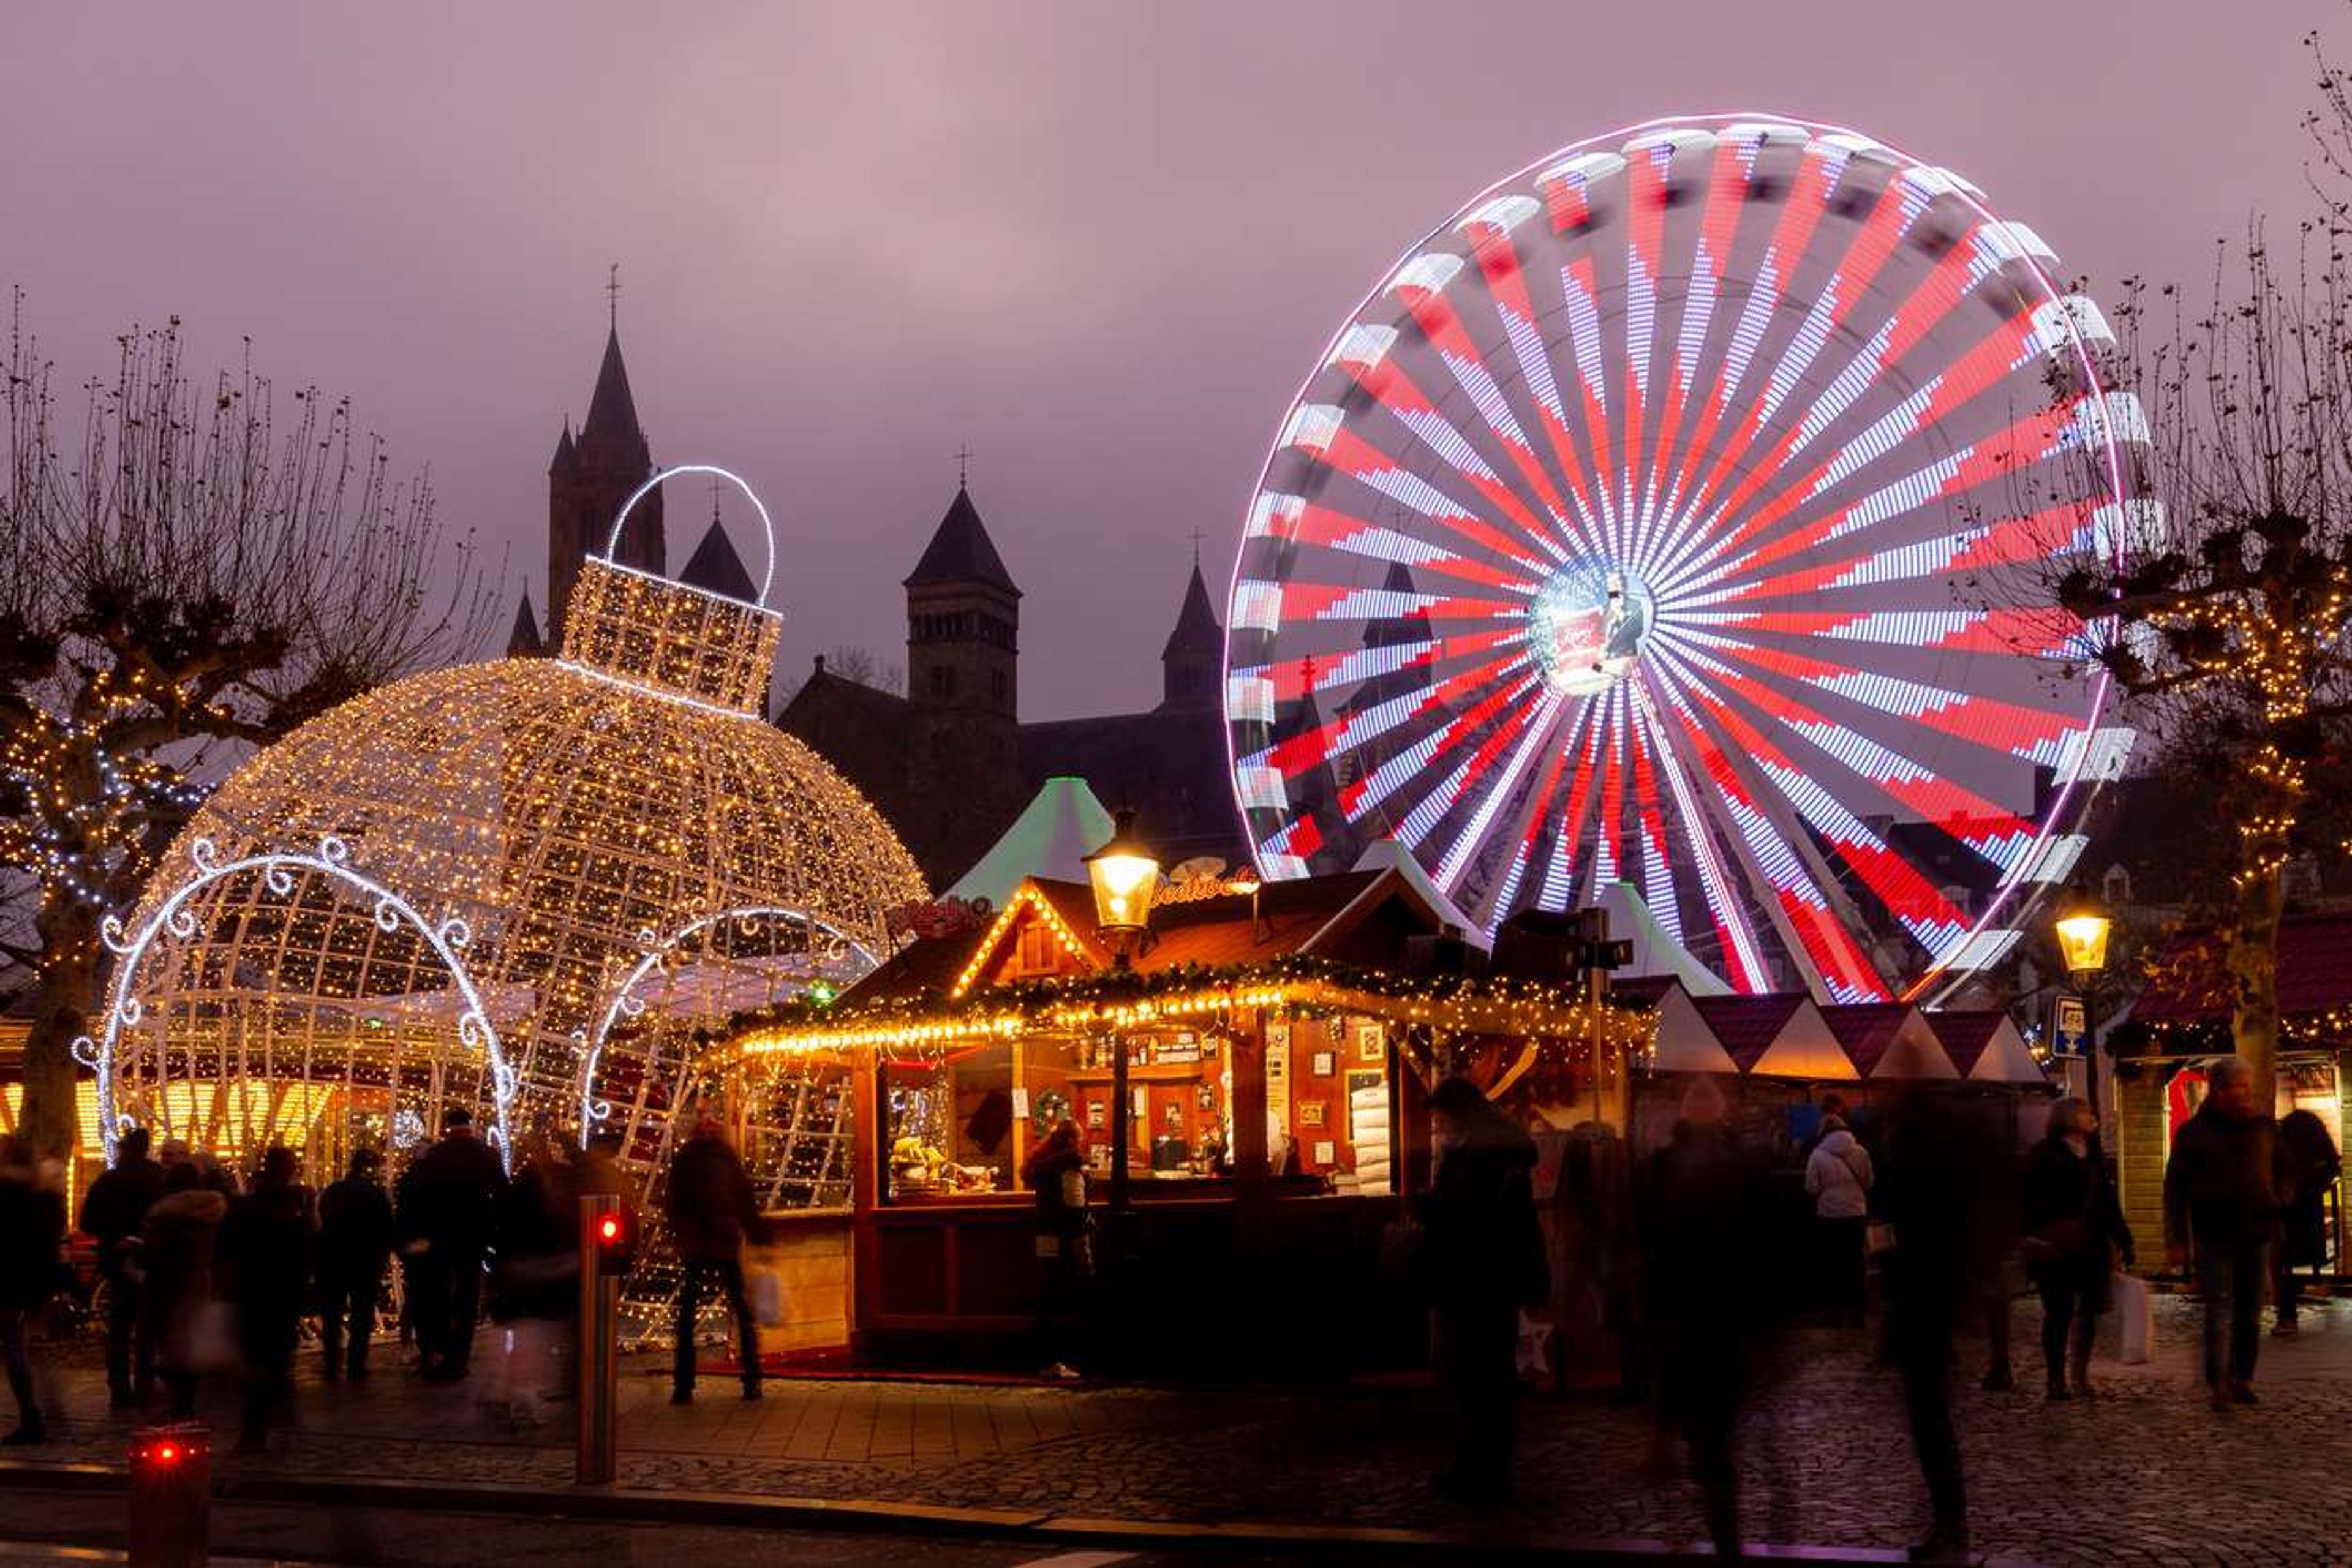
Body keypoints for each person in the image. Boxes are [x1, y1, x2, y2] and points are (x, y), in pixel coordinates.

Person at [1640, 1077, 1776, 1557]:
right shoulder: (1738, 1166)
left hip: (1702, 1312)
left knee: (1710, 1435)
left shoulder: (1671, 1167)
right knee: (1714, 1436)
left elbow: (1650, 1239)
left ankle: (1717, 1526)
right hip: (1712, 1312)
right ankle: (1721, 1529)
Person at [1879, 1077, 2004, 1562]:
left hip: (1925, 1300)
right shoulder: (1942, 1154)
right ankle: (1946, 1517)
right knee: (1931, 1418)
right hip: (1932, 1299)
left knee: (1931, 1418)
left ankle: (1950, 1520)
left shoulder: (1919, 1158)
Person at [1417, 1076, 1546, 1507]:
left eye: (1442, 1119)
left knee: (1478, 1377)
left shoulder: (1479, 1159)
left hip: (1475, 1280)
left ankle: (1480, 1471)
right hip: (1493, 1281)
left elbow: (1466, 1220)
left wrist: (1428, 1209)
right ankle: (1484, 1468)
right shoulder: (1500, 1154)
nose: (1440, 1128)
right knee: (1487, 1378)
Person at [2165, 1057, 2280, 1411]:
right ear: (2219, 1092)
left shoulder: (2262, 1127)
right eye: (2239, 1087)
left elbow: (2286, 1167)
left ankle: (2243, 1377)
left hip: (2256, 1230)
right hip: (2213, 1231)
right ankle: (2218, 1383)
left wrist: (2277, 1200)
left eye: (2248, 1086)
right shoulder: (2194, 1133)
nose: (2246, 1094)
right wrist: (2178, 1237)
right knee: (2218, 1309)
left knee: (2250, 1310)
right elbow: (2176, 1186)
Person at [2020, 1098, 2132, 1401]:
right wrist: (2033, 1237)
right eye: (2086, 1113)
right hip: (2054, 1245)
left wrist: (2122, 1238)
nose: (2092, 1118)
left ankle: (2080, 1375)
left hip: (2090, 1245)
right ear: (2069, 1118)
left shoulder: (2094, 1156)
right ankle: (2056, 1378)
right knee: (2058, 1312)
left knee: (2088, 1313)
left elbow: (2107, 1203)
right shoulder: (2044, 1155)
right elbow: (2028, 1199)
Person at [399, 1107, 509, 1382]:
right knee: (467, 1297)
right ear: (470, 1125)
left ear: (448, 1127)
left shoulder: (436, 1156)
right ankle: (460, 1356)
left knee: (440, 1296)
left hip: (440, 1236)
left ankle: (444, 1351)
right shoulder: (485, 1154)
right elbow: (503, 1192)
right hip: (474, 1236)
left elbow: (419, 1196)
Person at [665, 1115, 766, 1404]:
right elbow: (743, 1197)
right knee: (735, 1311)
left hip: (706, 1243)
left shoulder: (694, 1159)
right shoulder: (720, 1158)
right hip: (714, 1242)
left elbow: (675, 1200)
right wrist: (755, 1231)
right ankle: (749, 1378)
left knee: (690, 1315)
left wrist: (679, 1234)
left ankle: (686, 1384)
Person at [223, 1145, 312, 1453]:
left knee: (261, 1358)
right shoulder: (290, 1209)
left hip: (252, 1291)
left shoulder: (246, 1206)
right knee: (272, 1358)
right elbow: (304, 1248)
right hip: (277, 1292)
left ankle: (261, 1422)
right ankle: (264, 1421)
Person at [488, 1132, 578, 1430]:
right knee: (534, 1346)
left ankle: (505, 1395)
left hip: (520, 1275)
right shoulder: (546, 1200)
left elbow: (502, 1230)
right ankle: (519, 1401)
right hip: (538, 1277)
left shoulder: (517, 1193)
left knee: (521, 1342)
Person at [78, 1126, 166, 1408]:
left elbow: (87, 1222)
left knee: (119, 1326)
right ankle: (145, 1380)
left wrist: (115, 1237)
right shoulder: (161, 1180)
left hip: (116, 1261)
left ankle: (119, 1387)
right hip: (151, 1261)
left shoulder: (108, 1180)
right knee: (149, 1325)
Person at [141, 1162, 229, 1419]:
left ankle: (177, 1404)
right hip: (201, 1282)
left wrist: (137, 1251)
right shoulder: (213, 1212)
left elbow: (155, 1256)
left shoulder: (166, 1216)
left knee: (169, 1343)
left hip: (168, 1286)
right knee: (190, 1343)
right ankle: (186, 1402)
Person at [1, 1136, 66, 1445]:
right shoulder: (45, 1194)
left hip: (9, 1277)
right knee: (28, 1343)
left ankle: (31, 1416)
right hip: (36, 1278)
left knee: (14, 1345)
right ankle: (46, 1409)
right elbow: (53, 1235)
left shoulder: (6, 1192)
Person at [316, 1148, 396, 1382]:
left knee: (332, 1314)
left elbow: (323, 1221)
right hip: (365, 1262)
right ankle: (356, 1365)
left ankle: (331, 1364)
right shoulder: (376, 1194)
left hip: (334, 1259)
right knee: (361, 1315)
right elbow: (386, 1230)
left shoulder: (333, 1191)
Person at [1022, 1119, 1091, 1379]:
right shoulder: (1071, 1160)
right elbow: (1075, 1206)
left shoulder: (1044, 1162)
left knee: (1046, 1295)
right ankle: (1060, 1359)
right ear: (1072, 1140)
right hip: (1064, 1235)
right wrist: (1082, 1241)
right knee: (1066, 1294)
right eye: (1080, 1137)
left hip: (1044, 1234)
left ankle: (1045, 1359)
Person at [2273, 1107, 2341, 1336]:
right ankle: (2288, 1310)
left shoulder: (2280, 1138)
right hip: (2305, 1208)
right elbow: (2333, 1165)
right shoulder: (2315, 1140)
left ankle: (2287, 1314)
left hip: (2284, 1208)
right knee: (2291, 1260)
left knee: (2283, 1260)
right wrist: (2313, 1187)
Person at [1803, 1111, 1873, 1327]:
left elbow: (1811, 1187)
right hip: (1856, 1213)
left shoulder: (1817, 1154)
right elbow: (1870, 1182)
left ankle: (1834, 1313)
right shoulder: (1861, 1151)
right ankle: (1858, 1313)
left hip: (1830, 1215)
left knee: (1834, 1262)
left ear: (1823, 1131)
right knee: (1856, 1262)